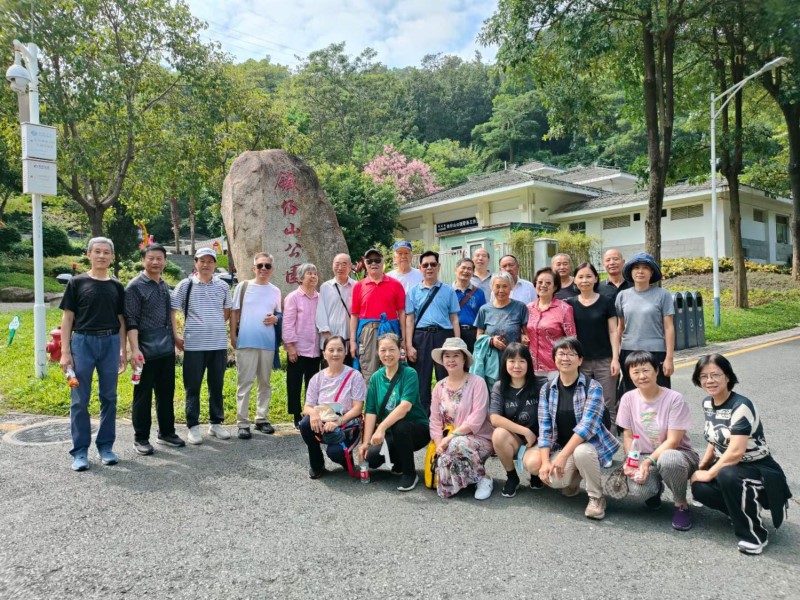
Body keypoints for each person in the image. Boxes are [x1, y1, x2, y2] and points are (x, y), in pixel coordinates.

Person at [690, 354, 792, 555]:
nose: (709, 380)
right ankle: (740, 511)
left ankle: (755, 536)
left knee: (726, 474)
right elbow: (714, 438)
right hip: (731, 467)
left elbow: (735, 451)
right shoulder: (708, 404)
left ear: (727, 377)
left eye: (715, 375)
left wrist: (710, 474)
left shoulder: (741, 406)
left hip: (759, 469)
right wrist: (702, 467)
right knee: (699, 488)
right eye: (704, 376)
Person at [59, 237, 127, 471]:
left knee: (109, 397)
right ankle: (79, 451)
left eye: (106, 252)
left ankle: (106, 446)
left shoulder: (117, 286)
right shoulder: (77, 283)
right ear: (88, 254)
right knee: (80, 399)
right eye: (97, 251)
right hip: (82, 342)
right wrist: (65, 352)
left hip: (109, 342)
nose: (101, 256)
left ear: (112, 257)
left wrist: (122, 349)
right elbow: (67, 318)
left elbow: (121, 320)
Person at [538, 337, 620, 520]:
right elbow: (544, 428)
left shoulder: (593, 387)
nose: (565, 358)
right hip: (563, 447)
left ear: (580, 360)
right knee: (555, 480)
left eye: (571, 354)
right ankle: (573, 480)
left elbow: (586, 427)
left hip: (590, 446)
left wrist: (562, 456)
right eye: (561, 354)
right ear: (554, 358)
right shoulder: (547, 390)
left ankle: (596, 497)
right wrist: (545, 462)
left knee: (581, 452)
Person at [616, 351, 699, 531]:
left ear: (656, 371)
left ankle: (681, 504)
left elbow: (674, 441)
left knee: (668, 459)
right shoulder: (627, 399)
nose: (641, 376)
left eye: (646, 370)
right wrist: (631, 461)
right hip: (644, 454)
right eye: (635, 372)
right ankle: (654, 490)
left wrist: (646, 462)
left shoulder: (674, 399)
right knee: (640, 490)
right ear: (629, 375)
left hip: (679, 455)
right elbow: (628, 436)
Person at [125, 243, 184, 456]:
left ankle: (166, 433)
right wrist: (134, 350)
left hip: (165, 348)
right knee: (142, 395)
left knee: (166, 392)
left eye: (159, 258)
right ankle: (140, 438)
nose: (155, 262)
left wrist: (176, 337)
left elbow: (169, 315)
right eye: (151, 258)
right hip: (145, 350)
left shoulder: (162, 284)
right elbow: (131, 320)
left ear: (165, 261)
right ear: (143, 260)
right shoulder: (134, 287)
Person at [172, 247, 232, 445]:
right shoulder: (186, 285)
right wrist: (175, 336)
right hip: (193, 345)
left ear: (215, 264)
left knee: (216, 385)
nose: (206, 264)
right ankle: (193, 426)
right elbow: (173, 310)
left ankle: (216, 423)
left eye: (210, 261)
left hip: (218, 345)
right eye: (202, 261)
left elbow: (227, 311)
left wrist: (212, 324)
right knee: (193, 387)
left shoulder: (222, 286)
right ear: (195, 263)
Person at [361, 333, 430, 492]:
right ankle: (398, 460)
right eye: (383, 350)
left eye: (392, 349)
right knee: (371, 458)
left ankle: (410, 474)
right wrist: (366, 442)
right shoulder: (376, 378)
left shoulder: (409, 374)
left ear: (400, 351)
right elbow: (370, 411)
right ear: (378, 352)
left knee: (400, 425)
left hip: (416, 429)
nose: (387, 354)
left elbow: (404, 407)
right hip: (390, 431)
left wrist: (381, 428)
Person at [429, 338, 495, 500]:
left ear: (464, 358)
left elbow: (477, 418)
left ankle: (483, 478)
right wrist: (439, 444)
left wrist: (450, 438)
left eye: (456, 355)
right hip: (448, 441)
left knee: (458, 444)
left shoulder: (477, 382)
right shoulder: (439, 387)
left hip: (478, 438)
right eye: (447, 356)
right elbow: (435, 420)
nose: (451, 360)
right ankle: (467, 476)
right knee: (444, 488)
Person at [230, 252, 281, 439]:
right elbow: (234, 313)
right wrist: (233, 335)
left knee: (265, 382)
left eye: (267, 266)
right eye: (260, 265)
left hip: (267, 343)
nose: (263, 269)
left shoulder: (275, 290)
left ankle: (262, 418)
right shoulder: (243, 287)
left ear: (272, 269)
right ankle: (242, 422)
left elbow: (279, 314)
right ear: (254, 268)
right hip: (246, 341)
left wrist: (276, 318)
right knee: (245, 383)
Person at [300, 336, 366, 478]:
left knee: (335, 453)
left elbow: (357, 408)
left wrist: (338, 422)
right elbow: (307, 407)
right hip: (323, 423)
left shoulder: (355, 376)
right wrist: (314, 414)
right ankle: (317, 464)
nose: (335, 354)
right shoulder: (317, 378)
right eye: (331, 350)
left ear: (345, 352)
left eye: (339, 350)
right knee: (305, 423)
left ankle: (344, 457)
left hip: (345, 425)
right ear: (324, 353)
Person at [564, 262, 620, 428]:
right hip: (580, 362)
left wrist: (615, 358)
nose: (585, 280)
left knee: (608, 401)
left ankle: (609, 439)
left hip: (605, 360)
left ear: (596, 278)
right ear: (575, 280)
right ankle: (586, 437)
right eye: (580, 277)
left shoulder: (606, 301)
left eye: (589, 276)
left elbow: (613, 331)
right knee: (583, 401)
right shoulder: (570, 304)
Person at [405, 250, 460, 414]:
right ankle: (424, 420)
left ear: (438, 266)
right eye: (425, 265)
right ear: (420, 267)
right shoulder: (413, 292)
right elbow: (409, 319)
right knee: (422, 380)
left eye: (433, 264)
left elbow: (454, 319)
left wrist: (457, 344)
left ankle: (448, 415)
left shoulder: (448, 291)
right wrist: (409, 345)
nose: (429, 268)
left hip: (444, 336)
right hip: (421, 337)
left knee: (447, 377)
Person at [616, 253, 675, 395]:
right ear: (631, 272)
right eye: (636, 268)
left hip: (656, 352)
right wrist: (617, 356)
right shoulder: (622, 296)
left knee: (660, 393)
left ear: (652, 272)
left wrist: (669, 358)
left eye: (645, 268)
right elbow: (620, 327)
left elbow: (669, 327)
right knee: (631, 393)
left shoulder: (663, 295)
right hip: (629, 352)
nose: (640, 271)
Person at [490, 343, 543, 497]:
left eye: (522, 361)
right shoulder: (500, 387)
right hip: (516, 440)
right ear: (505, 363)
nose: (516, 366)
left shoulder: (541, 384)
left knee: (534, 465)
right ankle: (512, 477)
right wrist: (525, 431)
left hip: (539, 441)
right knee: (498, 434)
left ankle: (535, 474)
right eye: (512, 361)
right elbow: (494, 418)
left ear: (529, 363)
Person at [350, 248, 406, 383]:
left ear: (383, 262)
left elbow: (402, 312)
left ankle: (393, 403)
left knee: (393, 370)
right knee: (369, 374)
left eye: (377, 260)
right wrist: (352, 341)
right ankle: (371, 403)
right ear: (364, 263)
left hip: (390, 331)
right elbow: (354, 315)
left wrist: (403, 338)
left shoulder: (396, 285)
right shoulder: (359, 286)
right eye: (369, 261)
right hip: (368, 332)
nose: (373, 264)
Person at [473, 272, 529, 386]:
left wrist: (524, 337)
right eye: (497, 286)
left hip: (515, 359)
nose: (501, 290)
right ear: (492, 288)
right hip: (492, 361)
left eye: (505, 286)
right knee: (494, 391)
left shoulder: (520, 307)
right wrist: (491, 341)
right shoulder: (484, 309)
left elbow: (526, 332)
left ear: (511, 287)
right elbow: (478, 336)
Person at [283, 263, 321, 429]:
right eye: (309, 274)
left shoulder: (320, 298)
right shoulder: (293, 297)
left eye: (315, 273)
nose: (313, 276)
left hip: (315, 348)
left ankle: (309, 413)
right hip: (297, 349)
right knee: (294, 383)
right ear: (300, 278)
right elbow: (288, 324)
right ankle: (295, 414)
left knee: (312, 384)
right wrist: (290, 347)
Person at [526, 267, 576, 387]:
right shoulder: (528, 308)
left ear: (555, 287)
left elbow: (572, 339)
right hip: (532, 365)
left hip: (555, 365)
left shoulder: (564, 309)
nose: (543, 285)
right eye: (540, 282)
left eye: (548, 283)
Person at [316, 253, 355, 367]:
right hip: (329, 338)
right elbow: (321, 311)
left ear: (350, 266)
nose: (340, 268)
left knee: (347, 372)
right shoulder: (325, 287)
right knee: (328, 372)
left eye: (344, 264)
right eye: (337, 264)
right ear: (332, 265)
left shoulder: (356, 286)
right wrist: (326, 333)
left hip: (348, 339)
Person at [453, 257, 486, 354]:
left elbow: (482, 316)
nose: (466, 271)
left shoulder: (479, 292)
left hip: (473, 333)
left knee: (473, 365)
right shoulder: (448, 291)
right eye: (463, 268)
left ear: (473, 273)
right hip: (452, 333)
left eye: (469, 269)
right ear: (456, 270)